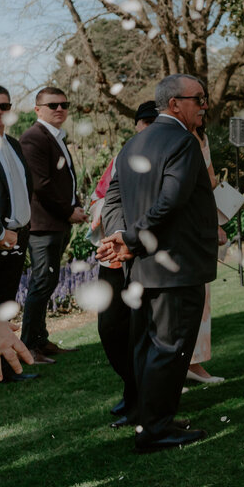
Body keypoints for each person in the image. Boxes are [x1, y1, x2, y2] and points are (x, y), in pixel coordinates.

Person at [98, 74, 219, 453]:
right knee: (169, 347)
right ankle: (157, 430)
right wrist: (129, 240)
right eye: (198, 99)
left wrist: (122, 237)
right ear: (174, 104)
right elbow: (171, 201)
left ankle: (143, 415)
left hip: (141, 266)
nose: (203, 105)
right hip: (175, 265)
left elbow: (112, 200)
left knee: (145, 344)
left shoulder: (134, 142)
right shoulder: (184, 141)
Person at [88, 100, 158, 424]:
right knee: (111, 328)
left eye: (154, 121)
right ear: (136, 125)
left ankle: (141, 402)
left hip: (149, 256)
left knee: (143, 332)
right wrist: (115, 233)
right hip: (114, 254)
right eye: (143, 121)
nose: (148, 127)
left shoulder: (171, 156)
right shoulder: (122, 156)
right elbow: (105, 198)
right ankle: (133, 390)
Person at [19, 87, 88, 362]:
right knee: (41, 283)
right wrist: (69, 211)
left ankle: (41, 341)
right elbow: (41, 185)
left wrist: (77, 203)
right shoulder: (33, 137)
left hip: (56, 222)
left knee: (48, 282)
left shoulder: (56, 136)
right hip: (43, 225)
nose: (59, 109)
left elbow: (65, 179)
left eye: (64, 104)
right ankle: (29, 347)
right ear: (38, 110)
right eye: (52, 105)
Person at [0, 83, 35, 382]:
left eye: (3, 107)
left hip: (19, 237)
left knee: (5, 302)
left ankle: (5, 369)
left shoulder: (15, 145)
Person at [186, 125, 225, 385]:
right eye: (198, 100)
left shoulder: (202, 136)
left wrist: (216, 222)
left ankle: (194, 361)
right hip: (186, 227)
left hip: (203, 223)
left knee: (203, 299)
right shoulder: (180, 137)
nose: (204, 106)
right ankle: (184, 365)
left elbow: (209, 179)